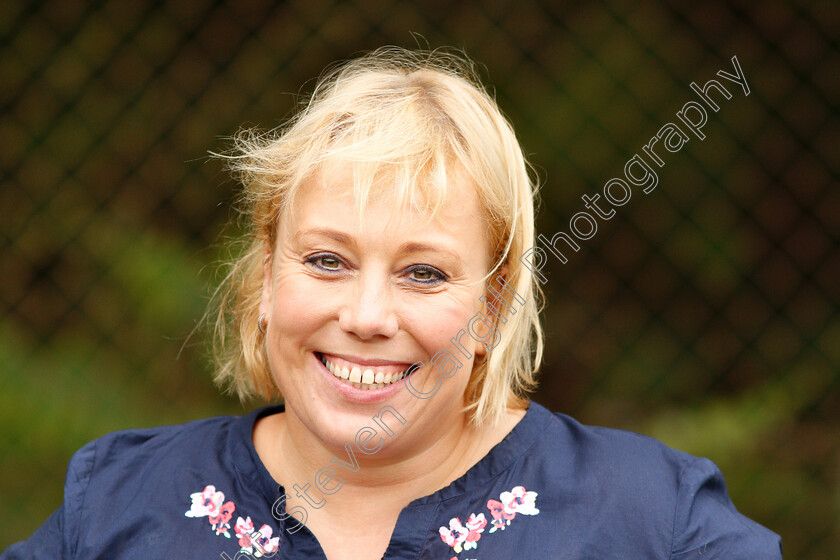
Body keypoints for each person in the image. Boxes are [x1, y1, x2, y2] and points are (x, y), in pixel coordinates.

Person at [2, 47, 782, 560]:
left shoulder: (654, 519)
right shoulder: (113, 506)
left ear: (495, 306)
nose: (369, 316)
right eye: (326, 260)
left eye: (424, 273)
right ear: (265, 279)